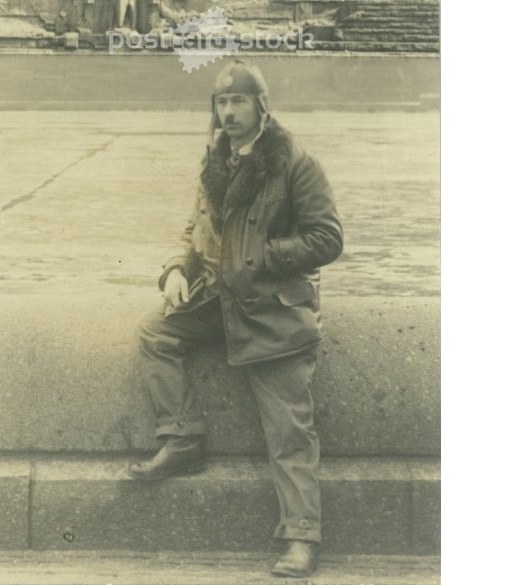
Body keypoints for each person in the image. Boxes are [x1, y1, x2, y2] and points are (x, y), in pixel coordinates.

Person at [128, 59, 343, 578]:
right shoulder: (216, 160)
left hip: (273, 314)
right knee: (155, 332)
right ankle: (182, 438)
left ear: (261, 106)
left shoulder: (295, 162)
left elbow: (328, 239)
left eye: (237, 102)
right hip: (221, 303)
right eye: (220, 103)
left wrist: (258, 259)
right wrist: (179, 268)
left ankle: (301, 540)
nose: (227, 112)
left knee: (289, 432)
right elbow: (193, 227)